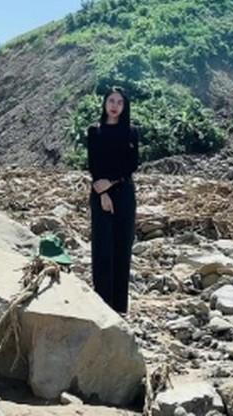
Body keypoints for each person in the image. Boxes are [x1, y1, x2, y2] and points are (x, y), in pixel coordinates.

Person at [87, 86, 139, 313]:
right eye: (111, 100)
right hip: (100, 194)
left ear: (124, 106)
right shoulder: (94, 131)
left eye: (120, 102)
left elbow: (132, 164)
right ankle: (102, 303)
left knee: (122, 245)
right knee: (102, 246)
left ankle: (119, 306)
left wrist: (113, 183)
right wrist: (103, 192)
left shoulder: (131, 131)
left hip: (124, 192)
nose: (115, 105)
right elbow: (93, 164)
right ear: (104, 103)